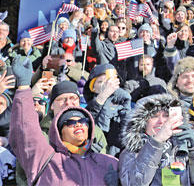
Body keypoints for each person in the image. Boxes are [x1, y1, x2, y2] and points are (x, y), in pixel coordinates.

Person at [8, 57, 118, 186]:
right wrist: (24, 87)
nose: (68, 103)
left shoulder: (95, 133)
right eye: (62, 99)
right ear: (52, 105)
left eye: (73, 98)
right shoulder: (40, 132)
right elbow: (25, 132)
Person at [119, 92, 194, 186]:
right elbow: (134, 183)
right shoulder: (131, 151)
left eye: (166, 115)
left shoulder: (183, 145)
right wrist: (157, 141)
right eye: (154, 116)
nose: (161, 121)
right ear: (142, 123)